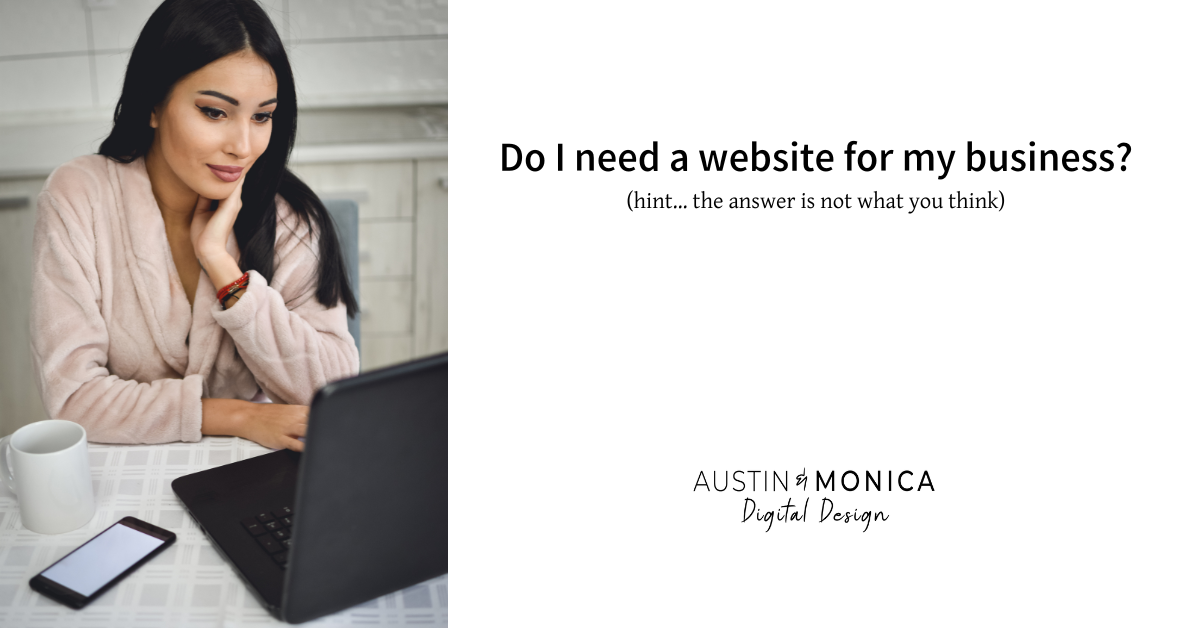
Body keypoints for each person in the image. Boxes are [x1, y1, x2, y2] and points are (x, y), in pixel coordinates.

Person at [29, 0, 360, 453]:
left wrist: (225, 270)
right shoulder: (80, 196)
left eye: (262, 116)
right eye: (214, 112)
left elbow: (331, 391)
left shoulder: (287, 215)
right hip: (127, 468)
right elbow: (73, 398)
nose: (243, 146)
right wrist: (238, 415)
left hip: (249, 467)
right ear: (153, 104)